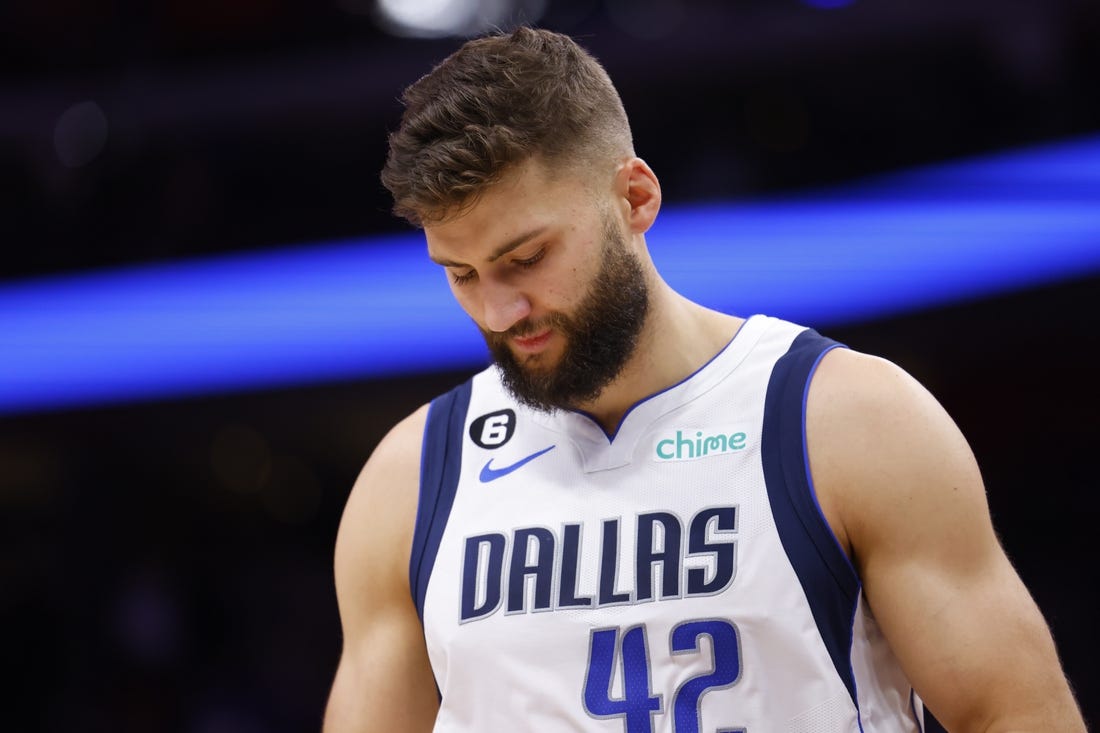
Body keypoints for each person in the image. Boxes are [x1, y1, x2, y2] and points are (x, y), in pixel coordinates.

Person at [322, 26, 1086, 733]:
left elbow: (1012, 713)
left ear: (635, 197)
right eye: (461, 273)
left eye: (526, 258)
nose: (498, 309)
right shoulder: (412, 477)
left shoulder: (844, 420)